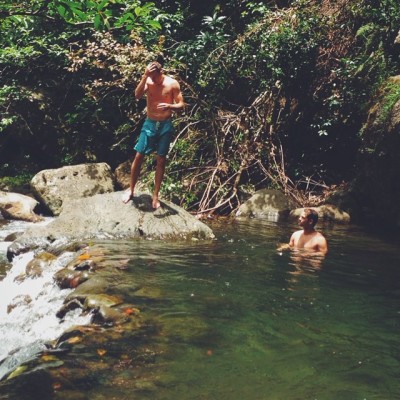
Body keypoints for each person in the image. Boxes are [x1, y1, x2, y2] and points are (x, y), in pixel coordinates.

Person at [123, 60, 185, 209]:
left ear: (160, 72)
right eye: (149, 75)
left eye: (153, 76)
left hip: (165, 125)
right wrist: (144, 77)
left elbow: (181, 105)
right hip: (150, 123)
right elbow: (137, 96)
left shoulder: (172, 83)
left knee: (161, 160)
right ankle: (131, 189)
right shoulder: (148, 80)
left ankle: (155, 196)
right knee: (139, 155)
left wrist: (170, 106)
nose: (152, 79)